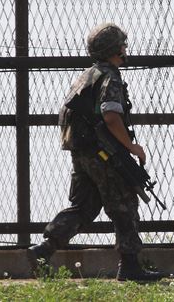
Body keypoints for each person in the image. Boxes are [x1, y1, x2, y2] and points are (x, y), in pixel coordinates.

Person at [26, 23, 163, 281]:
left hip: (83, 153)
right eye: (122, 45)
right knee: (124, 205)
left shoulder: (87, 75)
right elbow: (111, 116)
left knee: (84, 206)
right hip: (103, 153)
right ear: (114, 50)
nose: (125, 48)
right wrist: (131, 147)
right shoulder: (110, 76)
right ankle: (130, 266)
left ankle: (45, 248)